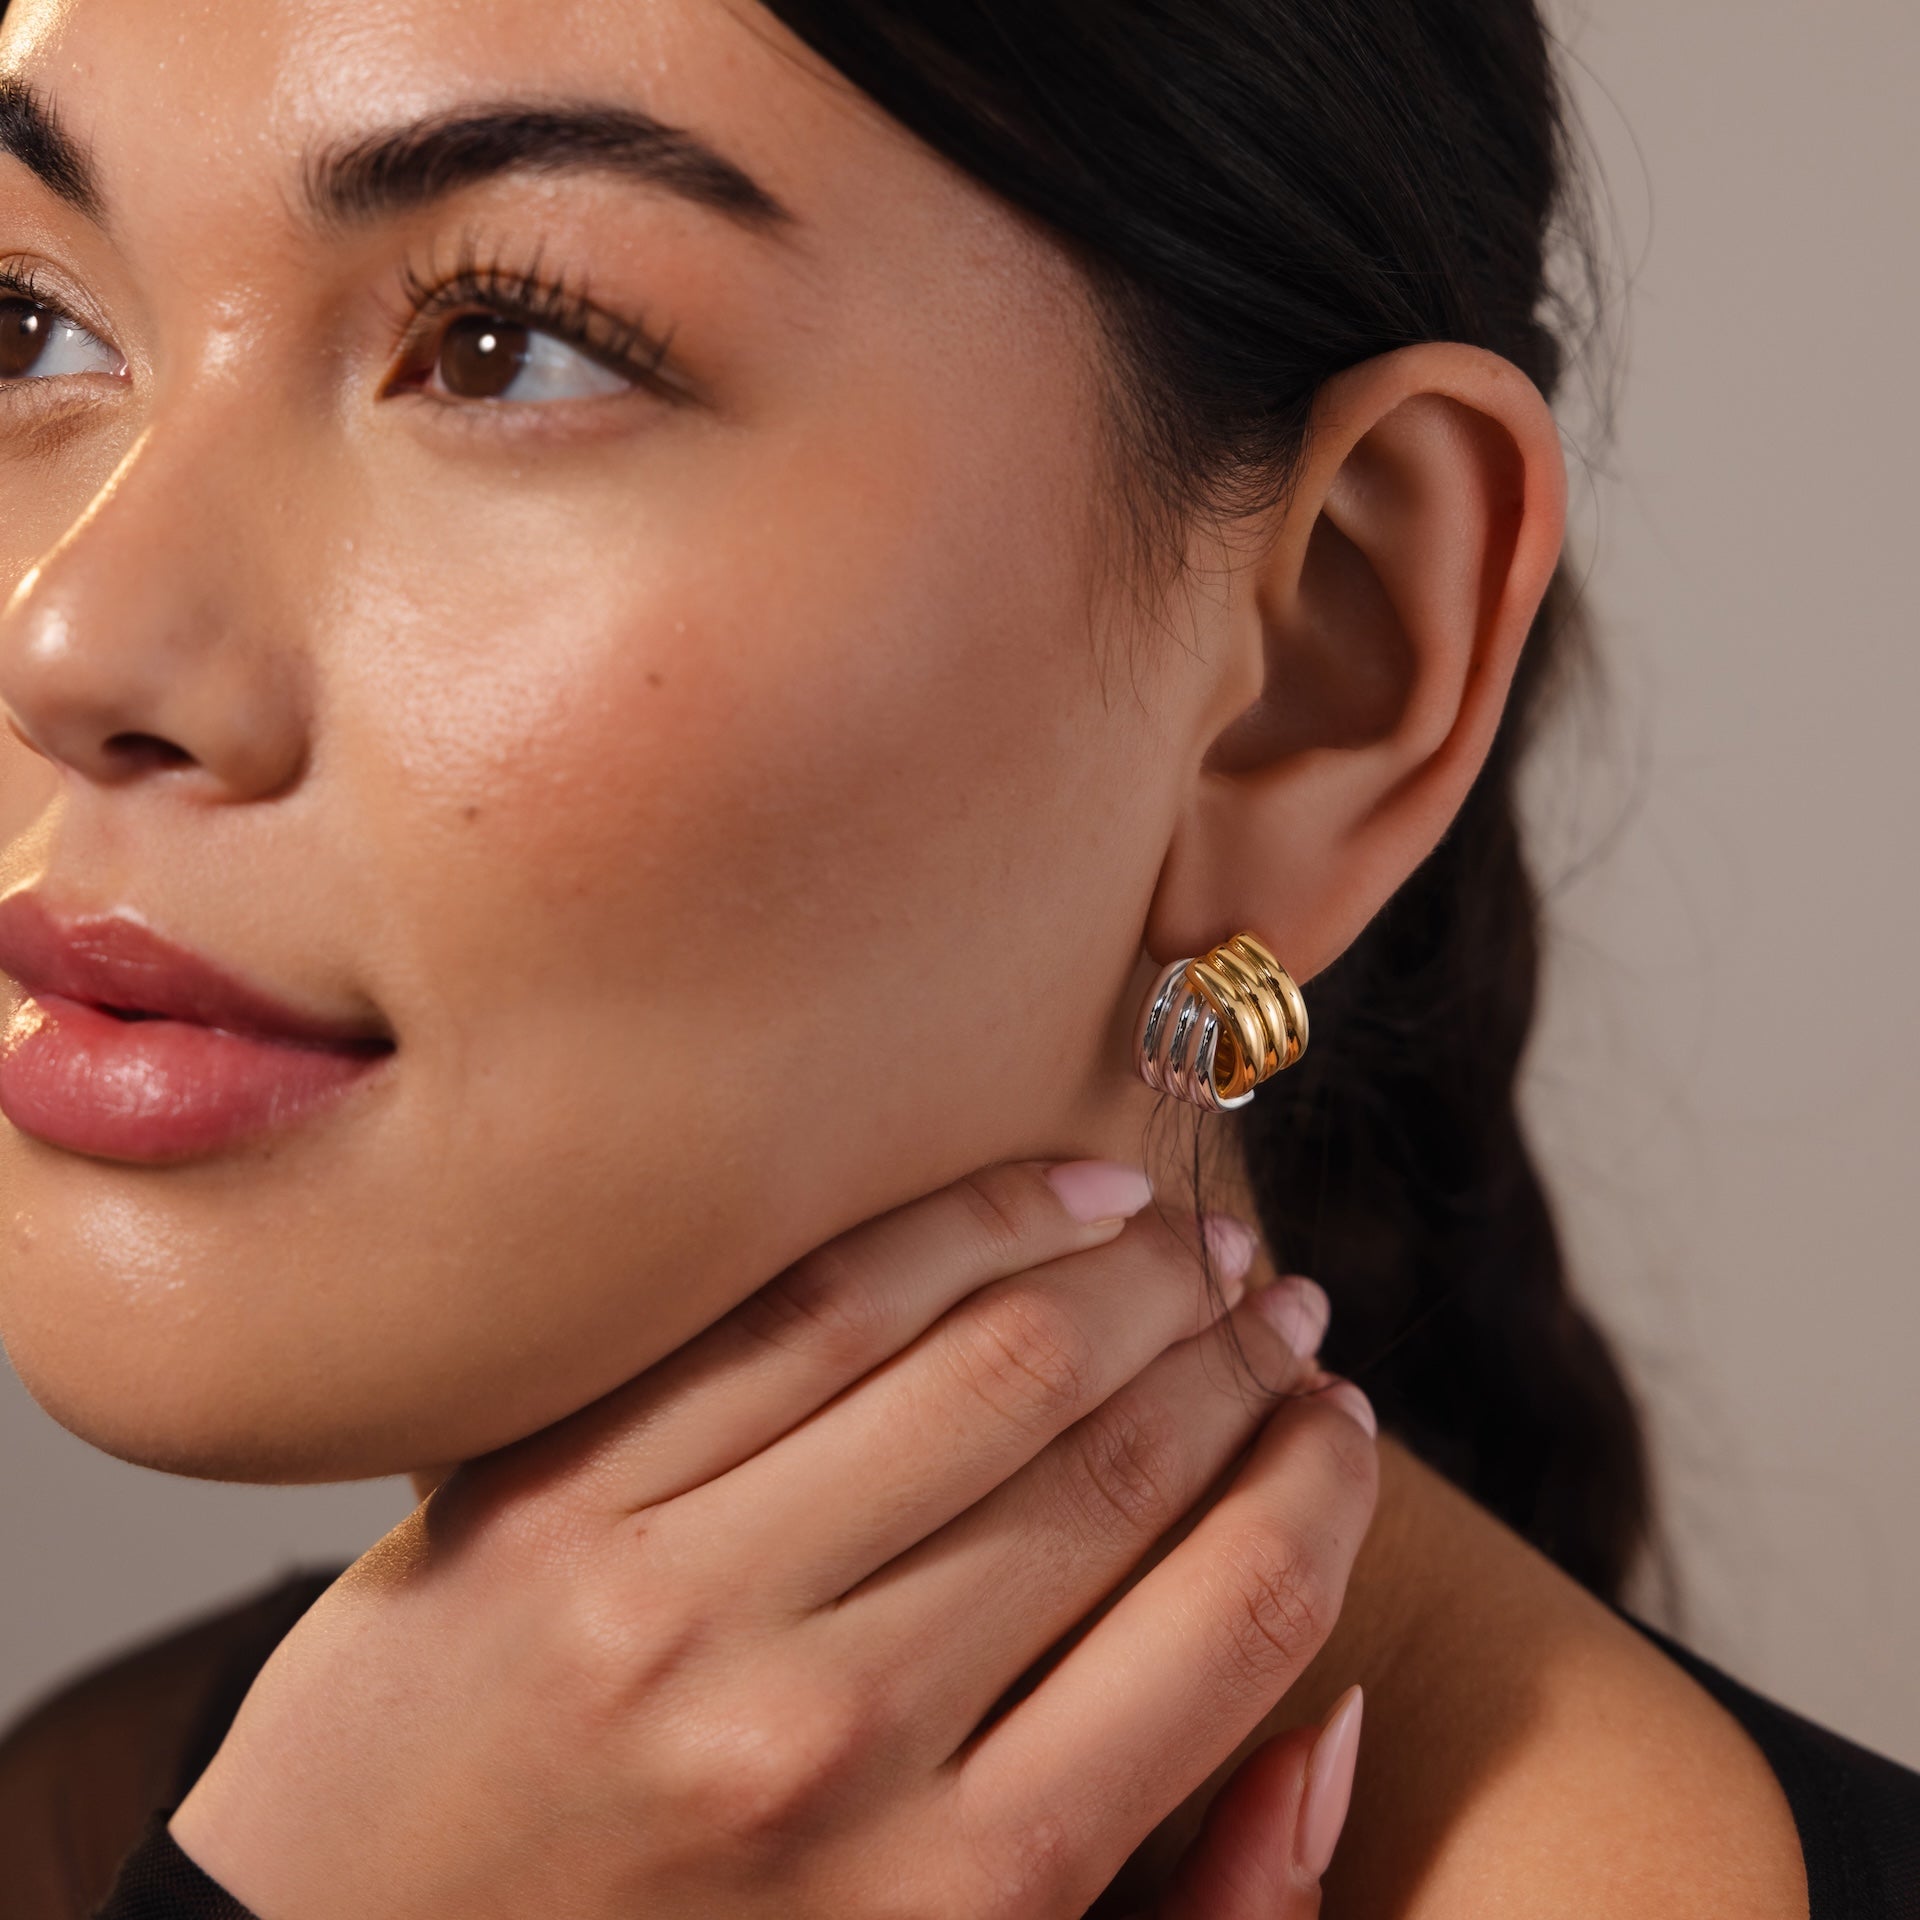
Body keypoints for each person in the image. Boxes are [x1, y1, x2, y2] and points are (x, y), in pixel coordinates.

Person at [0, 0, 1915, 1915]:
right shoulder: (151, 1816)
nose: (69, 634)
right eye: (26, 325)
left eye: (506, 345)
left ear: (1325, 660)